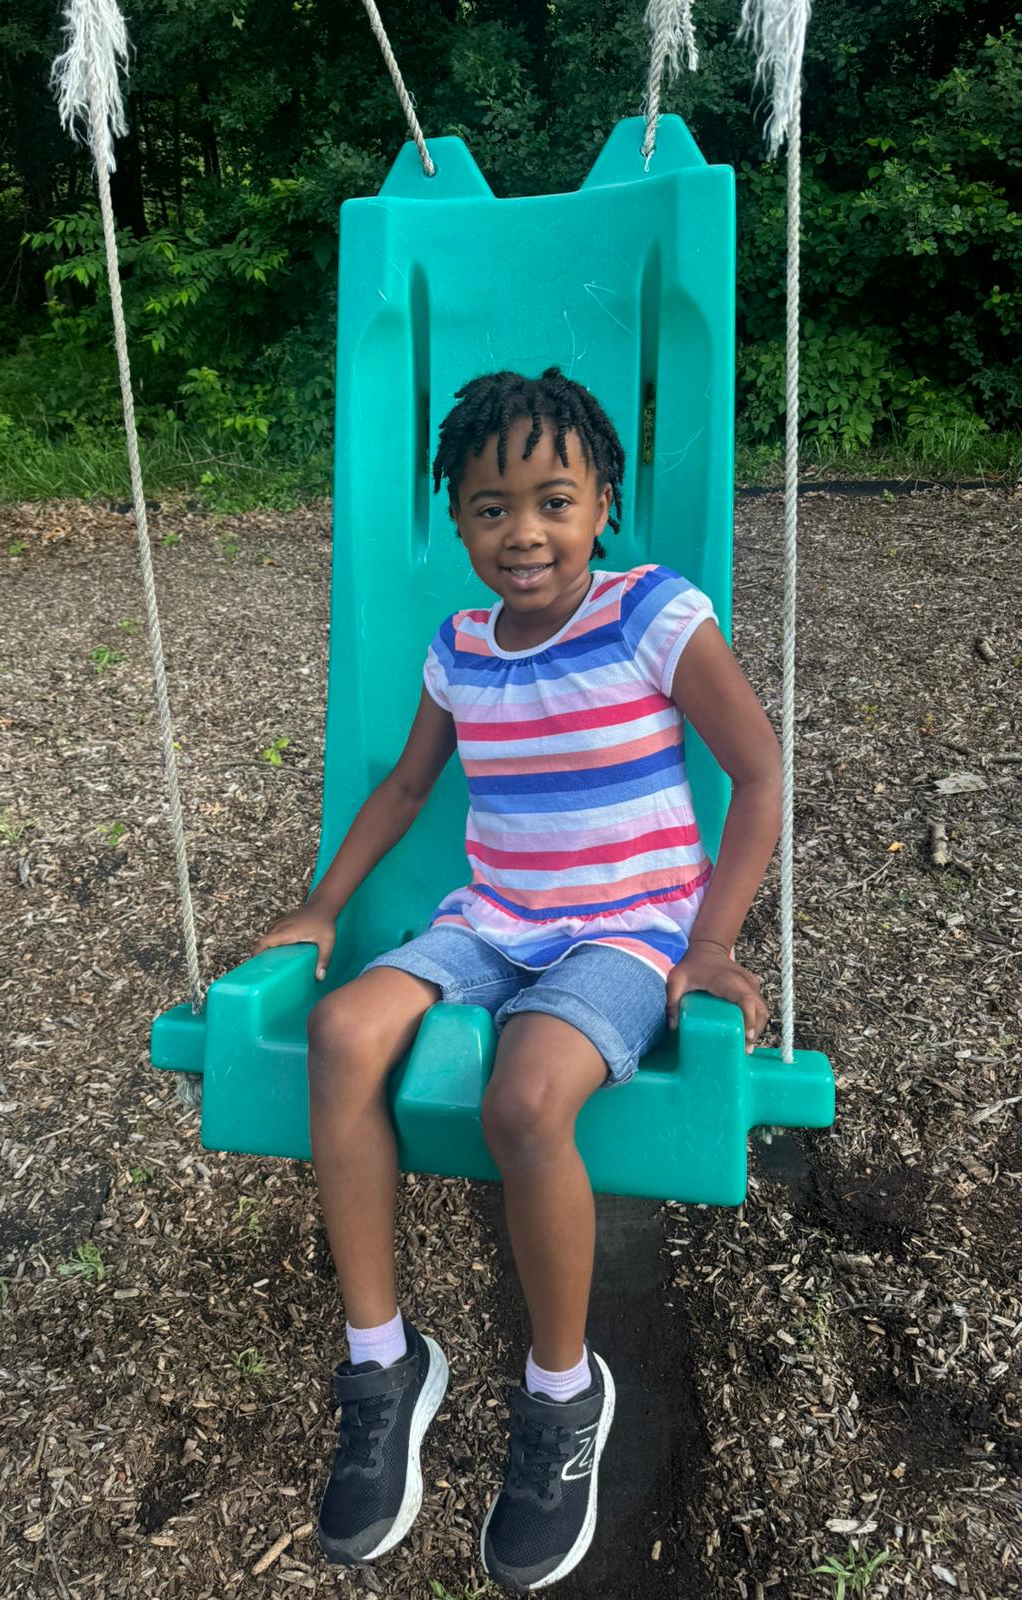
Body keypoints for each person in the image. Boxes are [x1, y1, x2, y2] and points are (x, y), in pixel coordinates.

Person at [250, 367, 781, 1591]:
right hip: (494, 918)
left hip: (629, 930)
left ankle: (560, 1391)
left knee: (527, 1100)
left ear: (604, 505)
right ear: (458, 520)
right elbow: (406, 786)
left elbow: (757, 773)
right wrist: (324, 905)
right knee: (341, 1033)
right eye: (491, 508)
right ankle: (384, 1362)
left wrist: (709, 943)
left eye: (554, 501)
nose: (524, 532)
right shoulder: (460, 646)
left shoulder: (652, 613)